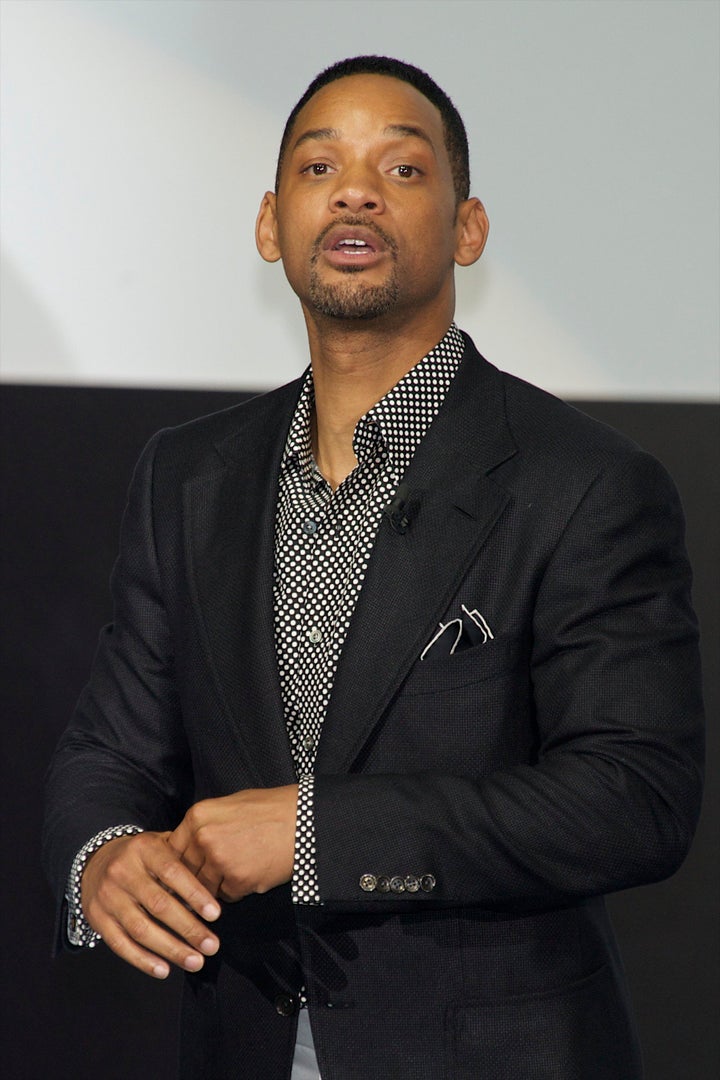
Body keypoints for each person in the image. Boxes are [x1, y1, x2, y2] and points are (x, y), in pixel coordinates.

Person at [43, 56, 704, 1080]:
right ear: (271, 226)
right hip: (239, 1038)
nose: (353, 189)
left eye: (401, 169)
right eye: (319, 168)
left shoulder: (586, 483)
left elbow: (632, 797)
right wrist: (103, 859)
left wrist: (316, 832)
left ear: (468, 228)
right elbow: (110, 752)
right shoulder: (187, 473)